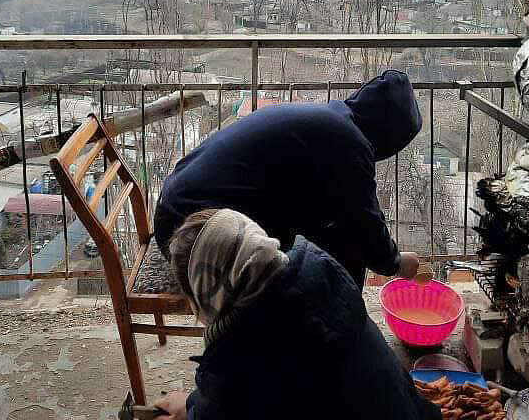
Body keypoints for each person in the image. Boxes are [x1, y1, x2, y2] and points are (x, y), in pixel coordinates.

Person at [62, 209, 446, 420]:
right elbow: (276, 401)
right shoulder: (325, 301)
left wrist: (198, 418)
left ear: (205, 299)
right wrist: (196, 404)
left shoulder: (241, 380)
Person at [154, 68, 423, 287]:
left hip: (177, 211)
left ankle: (336, 326)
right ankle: (331, 333)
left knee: (332, 239)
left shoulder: (330, 121)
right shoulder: (348, 142)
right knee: (329, 258)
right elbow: (363, 218)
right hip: (188, 234)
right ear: (389, 137)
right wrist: (395, 263)